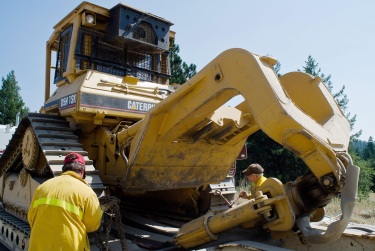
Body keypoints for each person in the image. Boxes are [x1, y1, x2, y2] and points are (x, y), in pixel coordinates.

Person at [27, 152, 102, 251]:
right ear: (83, 170)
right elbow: (93, 225)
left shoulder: (42, 187)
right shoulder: (87, 193)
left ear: (64, 168)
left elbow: (31, 217)